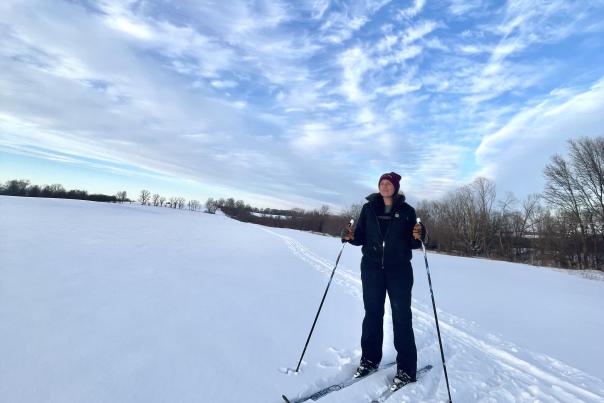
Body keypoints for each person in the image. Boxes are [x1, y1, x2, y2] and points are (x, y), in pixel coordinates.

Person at [341, 172, 426, 388]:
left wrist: (420, 235)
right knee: (372, 314)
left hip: (399, 270)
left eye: (389, 183)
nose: (385, 186)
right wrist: (349, 236)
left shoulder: (407, 211)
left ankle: (406, 370)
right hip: (371, 269)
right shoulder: (369, 209)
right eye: (382, 183)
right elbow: (360, 237)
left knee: (401, 318)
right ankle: (369, 360)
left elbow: (413, 243)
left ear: (396, 187)